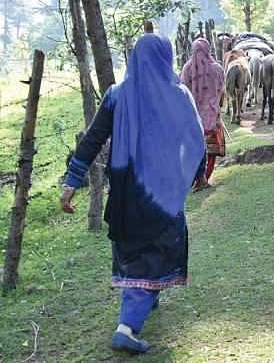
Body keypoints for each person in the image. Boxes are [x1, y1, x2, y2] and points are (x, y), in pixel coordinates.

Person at [60, 34, 206, 354]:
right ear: (166, 59)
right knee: (155, 253)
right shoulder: (179, 95)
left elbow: (92, 140)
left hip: (126, 192)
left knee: (134, 251)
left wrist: (72, 180)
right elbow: (196, 140)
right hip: (164, 194)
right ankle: (127, 327)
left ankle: (146, 298)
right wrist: (194, 174)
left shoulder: (116, 95)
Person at [180, 38, 226, 190]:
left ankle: (195, 179)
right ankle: (204, 178)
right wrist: (217, 106)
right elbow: (221, 91)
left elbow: (182, 93)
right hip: (211, 118)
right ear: (208, 49)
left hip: (192, 119)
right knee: (210, 150)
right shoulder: (217, 69)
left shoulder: (187, 69)